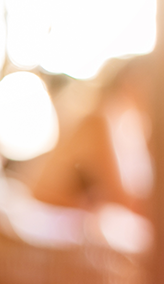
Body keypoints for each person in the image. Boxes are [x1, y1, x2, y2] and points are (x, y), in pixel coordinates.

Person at [28, 58, 153, 215]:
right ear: (130, 80)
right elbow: (123, 198)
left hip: (72, 220)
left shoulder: (130, 125)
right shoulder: (102, 119)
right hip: (48, 219)